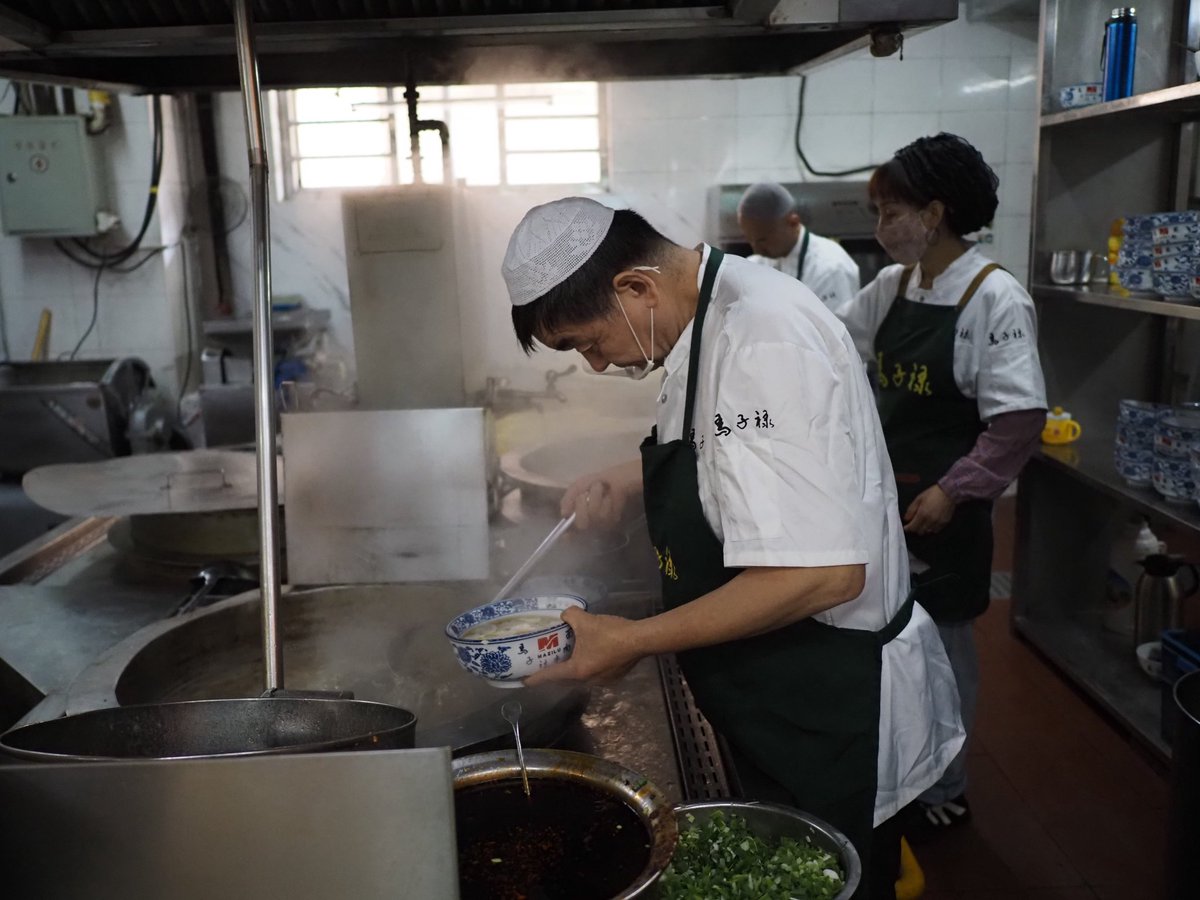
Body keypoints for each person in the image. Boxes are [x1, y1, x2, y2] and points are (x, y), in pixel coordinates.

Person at [499, 196, 964, 899]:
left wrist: (630, 639)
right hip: (775, 687)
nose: (595, 365)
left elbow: (824, 575)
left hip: (828, 698)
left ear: (635, 288)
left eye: (587, 342)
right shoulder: (709, 311)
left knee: (833, 880)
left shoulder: (763, 340)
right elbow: (738, 449)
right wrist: (629, 478)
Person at [838, 133, 1048, 837]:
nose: (880, 227)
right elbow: (834, 348)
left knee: (945, 654)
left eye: (889, 210)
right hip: (887, 500)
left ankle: (947, 788)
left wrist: (954, 491)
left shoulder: (996, 298)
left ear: (934, 211)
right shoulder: (891, 287)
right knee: (891, 640)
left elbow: (1017, 423)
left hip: (946, 507)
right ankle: (898, 771)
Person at [737, 181, 861, 313]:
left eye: (763, 240)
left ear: (793, 222)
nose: (757, 250)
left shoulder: (830, 269)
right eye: (750, 240)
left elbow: (832, 331)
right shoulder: (755, 264)